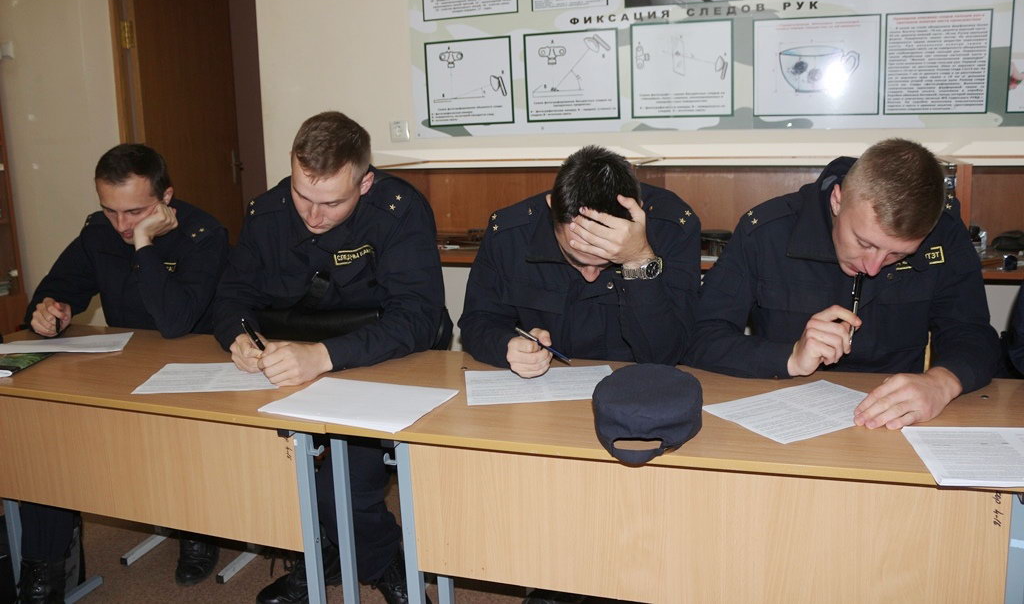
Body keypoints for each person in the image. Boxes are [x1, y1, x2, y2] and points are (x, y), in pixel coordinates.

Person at [212, 111, 447, 604]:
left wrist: (322, 356)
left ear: (366, 182)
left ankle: (385, 562)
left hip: (384, 358)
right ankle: (329, 553)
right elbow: (232, 294)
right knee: (257, 467)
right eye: (303, 196)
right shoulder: (266, 212)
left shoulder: (399, 210)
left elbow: (418, 319)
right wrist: (239, 336)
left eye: (332, 202)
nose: (313, 216)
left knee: (341, 487)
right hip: (290, 360)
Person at [459, 146, 699, 604]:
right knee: (545, 521)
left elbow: (668, 353)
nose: (590, 273)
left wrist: (638, 259)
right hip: (550, 411)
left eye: (604, 260)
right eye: (575, 256)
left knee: (641, 544)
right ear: (553, 208)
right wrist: (508, 346)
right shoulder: (510, 230)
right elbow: (476, 321)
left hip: (639, 409)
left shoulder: (673, 225)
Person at [21, 143, 228, 602]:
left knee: (175, 437)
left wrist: (144, 243)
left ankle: (197, 527)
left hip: (191, 378)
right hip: (124, 370)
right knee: (42, 435)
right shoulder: (98, 233)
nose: (121, 225)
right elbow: (54, 290)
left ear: (166, 198)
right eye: (109, 210)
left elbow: (175, 322)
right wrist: (50, 312)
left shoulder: (204, 235)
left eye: (135, 211)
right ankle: (45, 569)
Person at [687, 138, 1001, 429]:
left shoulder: (945, 235)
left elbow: (973, 334)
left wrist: (942, 383)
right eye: (864, 243)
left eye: (898, 254)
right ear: (837, 201)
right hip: (783, 415)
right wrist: (789, 356)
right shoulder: (767, 232)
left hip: (891, 422)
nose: (873, 267)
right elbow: (700, 337)